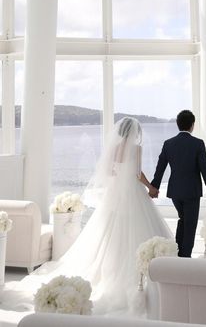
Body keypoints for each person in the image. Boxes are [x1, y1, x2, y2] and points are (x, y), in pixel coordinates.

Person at [3, 117, 173, 315]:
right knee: (136, 226)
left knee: (110, 229)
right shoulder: (136, 149)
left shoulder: (115, 147)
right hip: (132, 193)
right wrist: (150, 187)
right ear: (134, 132)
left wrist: (120, 181)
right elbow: (137, 173)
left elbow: (109, 171)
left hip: (116, 193)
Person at [150, 110, 206, 258]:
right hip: (192, 192)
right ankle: (185, 258)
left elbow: (160, 167)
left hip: (175, 191)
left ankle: (178, 253)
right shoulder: (198, 143)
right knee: (190, 225)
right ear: (192, 125)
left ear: (178, 124)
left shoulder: (168, 143)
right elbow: (205, 167)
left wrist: (155, 186)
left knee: (183, 220)